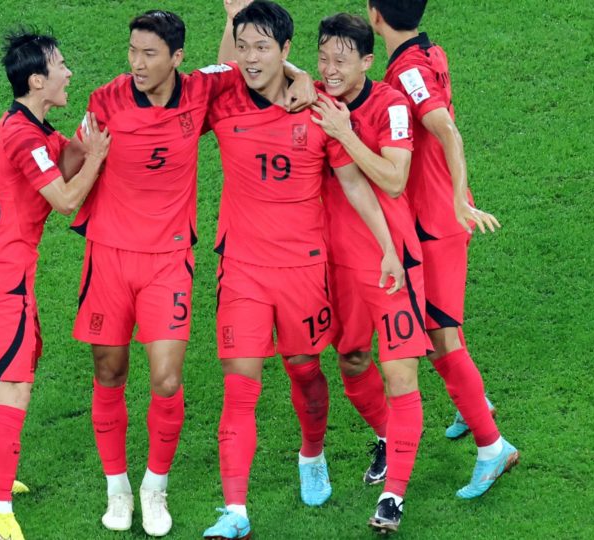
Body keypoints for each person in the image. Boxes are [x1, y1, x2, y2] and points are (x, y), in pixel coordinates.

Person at [69, 9, 314, 536]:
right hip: (108, 255)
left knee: (166, 378)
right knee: (109, 371)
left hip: (169, 261)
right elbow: (71, 170)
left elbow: (264, 67)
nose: (137, 63)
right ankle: (117, 488)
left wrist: (305, 78)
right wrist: (80, 155)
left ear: (177, 58)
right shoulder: (106, 100)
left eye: (149, 54)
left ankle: (154, 487)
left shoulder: (203, 91)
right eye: (132, 51)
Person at [200, 3, 405, 538]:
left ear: (286, 51)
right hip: (241, 268)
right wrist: (232, 21)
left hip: (302, 270)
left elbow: (357, 184)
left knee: (306, 374)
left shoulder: (317, 109)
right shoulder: (223, 106)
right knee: (240, 387)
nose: (250, 58)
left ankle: (312, 453)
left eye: (262, 47)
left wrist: (387, 246)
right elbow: (219, 74)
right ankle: (235, 511)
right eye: (243, 47)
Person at [368, 0, 519, 500]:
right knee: (440, 332)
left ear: (374, 15)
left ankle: (491, 445)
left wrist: (457, 199)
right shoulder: (428, 50)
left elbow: (445, 129)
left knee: (439, 337)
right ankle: (470, 402)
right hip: (432, 218)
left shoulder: (408, 69)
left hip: (436, 222)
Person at [0, 29, 110, 540]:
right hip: (3, 282)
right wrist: (94, 158)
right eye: (61, 66)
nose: (69, 72)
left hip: (2, 275)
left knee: (12, 368)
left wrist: (86, 141)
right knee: (16, 386)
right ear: (37, 80)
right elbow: (65, 200)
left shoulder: (27, 123)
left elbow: (57, 158)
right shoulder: (25, 137)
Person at [308, 12, 431, 533]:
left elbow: (395, 179)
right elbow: (262, 68)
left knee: (400, 376)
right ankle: (386, 435)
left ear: (366, 60)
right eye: (323, 57)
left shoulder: (392, 105)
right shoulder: (310, 93)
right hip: (332, 262)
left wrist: (343, 132)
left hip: (390, 261)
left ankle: (394, 496)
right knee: (354, 360)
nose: (330, 69)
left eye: (341, 59)